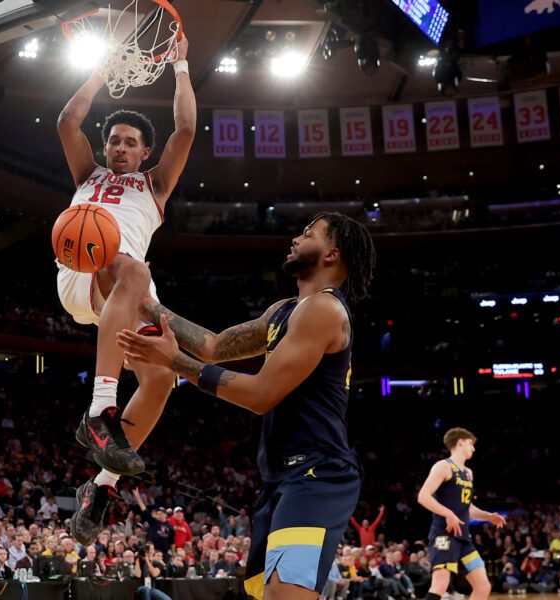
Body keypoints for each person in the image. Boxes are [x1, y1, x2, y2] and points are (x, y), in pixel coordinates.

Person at [117, 213, 377, 600]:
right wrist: (146, 301)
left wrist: (174, 362)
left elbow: (260, 395)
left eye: (309, 234)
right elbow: (214, 346)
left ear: (331, 254)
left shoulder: (323, 310)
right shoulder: (284, 310)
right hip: (281, 478)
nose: (296, 237)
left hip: (317, 474)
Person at [56, 34, 196, 544]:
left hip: (129, 285)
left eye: (129, 142)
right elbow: (67, 121)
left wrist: (180, 66)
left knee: (162, 378)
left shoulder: (155, 187)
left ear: (144, 153)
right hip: (84, 270)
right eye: (113, 139)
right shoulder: (86, 174)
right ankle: (99, 408)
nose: (118, 146)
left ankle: (103, 483)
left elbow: (187, 127)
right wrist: (101, 70)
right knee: (135, 270)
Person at [416, 428, 506, 600]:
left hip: (464, 539)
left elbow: (468, 508)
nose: (473, 448)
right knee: (441, 584)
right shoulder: (443, 466)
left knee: (483, 586)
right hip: (444, 535)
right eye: (471, 444)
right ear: (460, 442)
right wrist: (448, 513)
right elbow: (423, 496)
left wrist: (488, 516)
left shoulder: (468, 473)